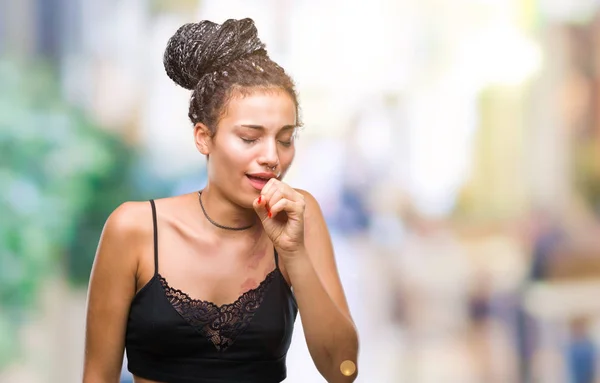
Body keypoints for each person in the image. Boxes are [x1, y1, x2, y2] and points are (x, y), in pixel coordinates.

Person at [82, 18, 359, 383]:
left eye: (285, 138)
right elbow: (97, 376)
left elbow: (343, 370)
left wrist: (294, 253)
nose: (272, 157)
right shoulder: (134, 229)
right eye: (249, 137)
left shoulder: (299, 218)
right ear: (203, 137)